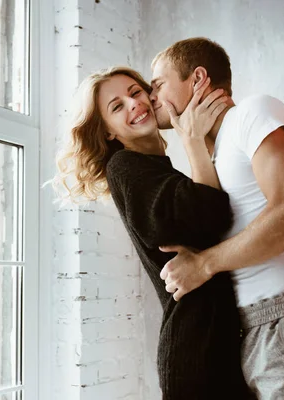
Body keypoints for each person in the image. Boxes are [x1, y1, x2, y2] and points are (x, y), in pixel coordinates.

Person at [150, 37, 284, 399]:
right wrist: (193, 144)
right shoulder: (214, 155)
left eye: (158, 84)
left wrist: (203, 265)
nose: (152, 95)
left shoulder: (254, 112)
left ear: (198, 78)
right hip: (254, 331)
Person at [54, 66, 252, 399]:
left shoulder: (156, 168)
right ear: (108, 133)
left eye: (135, 92)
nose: (133, 103)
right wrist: (191, 137)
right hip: (197, 353)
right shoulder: (124, 167)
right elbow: (211, 212)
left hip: (215, 342)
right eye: (117, 106)